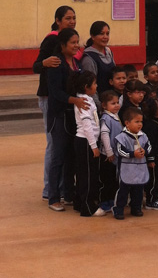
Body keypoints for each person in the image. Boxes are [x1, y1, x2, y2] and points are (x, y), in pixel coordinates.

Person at [32, 5, 77, 200]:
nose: (72, 21)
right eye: (68, 18)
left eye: (74, 18)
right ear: (58, 20)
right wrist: (44, 63)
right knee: (54, 144)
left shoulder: (71, 40)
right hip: (51, 98)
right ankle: (50, 190)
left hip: (66, 101)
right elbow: (35, 66)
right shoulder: (51, 40)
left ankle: (63, 188)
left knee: (64, 146)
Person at [45, 28, 89, 210]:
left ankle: (68, 194)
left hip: (73, 116)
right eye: (72, 42)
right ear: (62, 45)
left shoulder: (76, 63)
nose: (76, 45)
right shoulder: (56, 64)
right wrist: (75, 101)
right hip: (59, 116)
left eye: (77, 42)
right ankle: (53, 197)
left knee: (72, 155)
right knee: (58, 156)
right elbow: (55, 93)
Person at [113, 107, 154, 220]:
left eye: (141, 121)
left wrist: (145, 151)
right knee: (123, 191)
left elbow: (149, 146)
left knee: (139, 190)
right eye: (136, 121)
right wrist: (132, 154)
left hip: (140, 169)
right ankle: (119, 209)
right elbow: (120, 151)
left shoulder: (144, 136)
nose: (140, 124)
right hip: (127, 169)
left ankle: (136, 207)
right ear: (127, 123)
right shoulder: (122, 137)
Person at [70, 71, 101, 216]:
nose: (96, 86)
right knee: (87, 175)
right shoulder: (84, 102)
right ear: (86, 87)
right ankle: (87, 207)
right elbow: (87, 125)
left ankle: (79, 202)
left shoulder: (87, 99)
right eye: (94, 84)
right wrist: (93, 146)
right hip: (85, 141)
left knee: (84, 173)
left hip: (87, 141)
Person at [96, 90, 122, 216]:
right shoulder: (106, 118)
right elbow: (105, 135)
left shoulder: (116, 116)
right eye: (113, 103)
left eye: (117, 102)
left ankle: (112, 201)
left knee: (113, 180)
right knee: (106, 180)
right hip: (108, 156)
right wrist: (109, 152)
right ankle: (104, 202)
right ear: (104, 106)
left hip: (116, 155)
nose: (116, 105)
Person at [141, 95, 158, 210]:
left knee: (157, 178)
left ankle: (154, 197)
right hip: (154, 158)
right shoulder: (151, 125)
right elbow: (149, 143)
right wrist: (151, 158)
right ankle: (150, 201)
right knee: (153, 179)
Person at [81, 21, 115, 95]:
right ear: (93, 36)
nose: (105, 37)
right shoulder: (89, 58)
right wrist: (98, 104)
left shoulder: (109, 52)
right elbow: (90, 86)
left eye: (107, 34)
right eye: (101, 34)